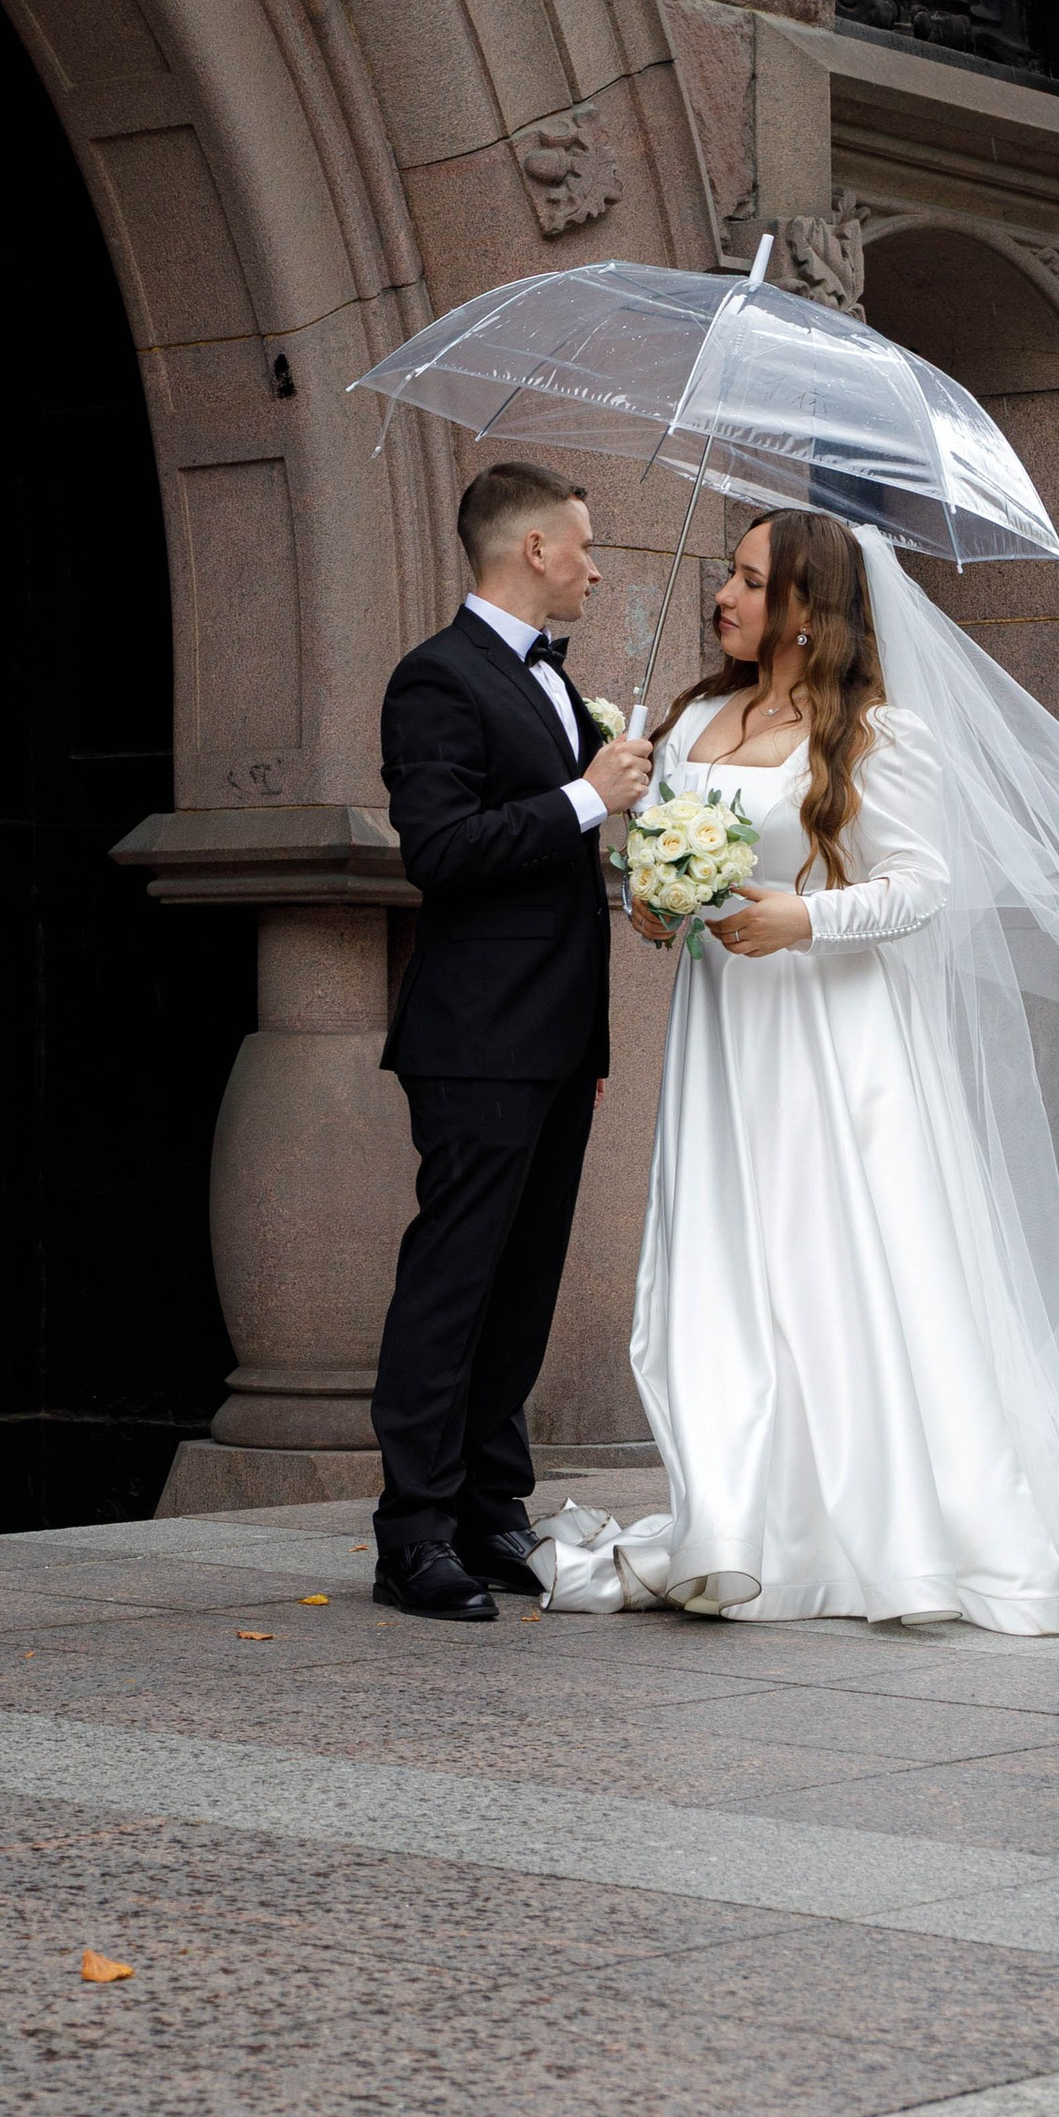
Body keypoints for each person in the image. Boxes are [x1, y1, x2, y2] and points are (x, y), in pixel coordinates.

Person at [536, 509, 1059, 1630]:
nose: (725, 596)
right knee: (721, 1267)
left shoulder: (879, 733)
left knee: (839, 1263)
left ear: (807, 609)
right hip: (723, 1036)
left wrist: (804, 917)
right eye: (729, 574)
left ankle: (888, 1526)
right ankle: (738, 1520)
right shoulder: (692, 717)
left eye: (752, 580)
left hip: (835, 1036)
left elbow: (924, 884)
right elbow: (663, 870)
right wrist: (656, 902)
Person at [369, 461, 654, 1620]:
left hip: (555, 1039)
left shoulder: (556, 681)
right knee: (453, 1283)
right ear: (532, 548)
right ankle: (411, 1534)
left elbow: (553, 868)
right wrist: (587, 796)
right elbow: (440, 850)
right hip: (476, 1037)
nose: (595, 568)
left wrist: (628, 834)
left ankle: (491, 1509)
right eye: (583, 545)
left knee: (521, 1285)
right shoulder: (436, 677)